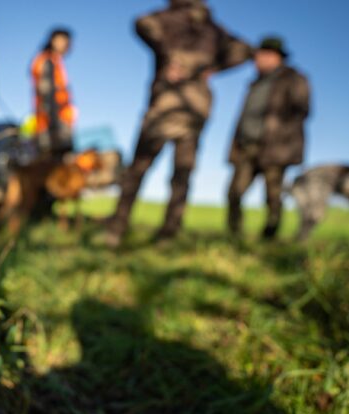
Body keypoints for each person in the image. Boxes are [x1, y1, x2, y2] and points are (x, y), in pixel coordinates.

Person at [105, 0, 252, 247]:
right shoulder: (214, 30)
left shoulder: (174, 18)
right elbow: (245, 50)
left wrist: (172, 56)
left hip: (167, 105)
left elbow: (142, 22)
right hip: (195, 109)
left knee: (140, 169)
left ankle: (118, 228)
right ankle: (167, 234)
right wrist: (209, 66)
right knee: (181, 174)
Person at [227, 36, 311, 239]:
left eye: (263, 55)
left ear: (276, 57)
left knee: (273, 195)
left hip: (275, 148)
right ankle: (234, 235)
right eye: (257, 56)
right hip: (247, 145)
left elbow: (302, 110)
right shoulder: (255, 83)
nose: (258, 60)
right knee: (234, 193)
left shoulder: (294, 79)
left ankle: (269, 237)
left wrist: (279, 135)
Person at [31, 28, 76, 158]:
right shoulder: (46, 61)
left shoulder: (56, 62)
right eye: (63, 40)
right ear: (53, 40)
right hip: (53, 126)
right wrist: (54, 128)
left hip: (58, 124)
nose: (67, 44)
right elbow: (47, 94)